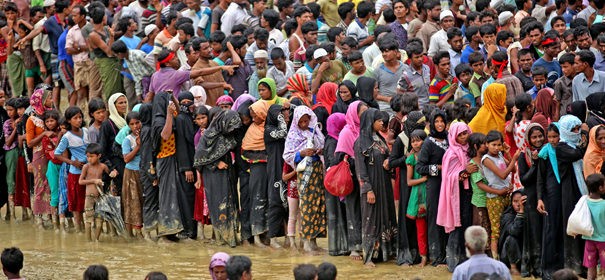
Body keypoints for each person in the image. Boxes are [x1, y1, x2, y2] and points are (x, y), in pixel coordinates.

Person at [354, 108, 397, 267]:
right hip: (371, 185)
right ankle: (369, 257)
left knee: (386, 215)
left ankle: (385, 252)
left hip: (384, 183)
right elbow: (360, 169)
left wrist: (388, 163)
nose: (382, 123)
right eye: (379, 121)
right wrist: (368, 189)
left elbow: (386, 157)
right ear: (370, 122)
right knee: (371, 219)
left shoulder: (379, 139)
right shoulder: (360, 142)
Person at [284, 106, 327, 252]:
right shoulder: (293, 135)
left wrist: (318, 151)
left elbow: (322, 146)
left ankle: (314, 240)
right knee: (307, 205)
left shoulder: (315, 132)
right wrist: (301, 153)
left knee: (318, 205)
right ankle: (306, 241)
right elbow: (288, 155)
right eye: (301, 121)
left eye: (306, 121)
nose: (304, 124)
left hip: (317, 172)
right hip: (303, 173)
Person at [557, 114, 588, 276]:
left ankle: (584, 265)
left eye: (578, 129)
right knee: (573, 228)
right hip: (569, 193)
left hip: (580, 192)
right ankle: (573, 265)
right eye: (573, 130)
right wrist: (584, 139)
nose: (576, 132)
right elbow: (575, 155)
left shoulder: (576, 145)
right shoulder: (562, 147)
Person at [54, 107, 88, 233]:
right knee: (76, 204)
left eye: (80, 117)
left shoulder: (85, 131)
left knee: (86, 202)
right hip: (75, 173)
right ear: (69, 120)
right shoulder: (67, 137)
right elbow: (57, 154)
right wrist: (72, 162)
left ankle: (85, 229)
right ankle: (79, 229)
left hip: (88, 172)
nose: (79, 120)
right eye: (75, 118)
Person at [264, 104, 289, 248]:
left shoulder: (288, 127)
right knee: (275, 200)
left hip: (286, 165)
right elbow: (282, 132)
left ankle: (287, 236)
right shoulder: (269, 130)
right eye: (281, 113)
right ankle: (273, 238)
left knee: (287, 202)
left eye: (286, 112)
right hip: (275, 167)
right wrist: (282, 118)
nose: (286, 114)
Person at [324, 113, 348, 256]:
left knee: (336, 214)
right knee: (337, 214)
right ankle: (340, 248)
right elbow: (333, 161)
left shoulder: (331, 139)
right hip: (334, 183)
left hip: (331, 182)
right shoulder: (334, 142)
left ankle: (337, 247)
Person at [78, 143, 114, 241]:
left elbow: (110, 175)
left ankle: (96, 240)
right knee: (89, 219)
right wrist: (94, 181)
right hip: (89, 196)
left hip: (100, 197)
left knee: (99, 219)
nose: (89, 159)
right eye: (88, 157)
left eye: (92, 156)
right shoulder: (86, 167)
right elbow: (80, 181)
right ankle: (88, 240)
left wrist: (113, 173)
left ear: (99, 156)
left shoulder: (103, 167)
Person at [498, 190, 528, 276]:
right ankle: (513, 268)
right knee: (511, 238)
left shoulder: (531, 214)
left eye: (520, 201)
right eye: (515, 201)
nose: (518, 204)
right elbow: (515, 231)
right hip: (508, 255)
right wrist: (521, 212)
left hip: (524, 253)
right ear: (511, 202)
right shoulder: (507, 216)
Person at [582, 173, 605, 280]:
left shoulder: (584, 202)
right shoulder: (604, 204)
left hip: (589, 240)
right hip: (603, 241)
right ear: (600, 188)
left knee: (591, 268)